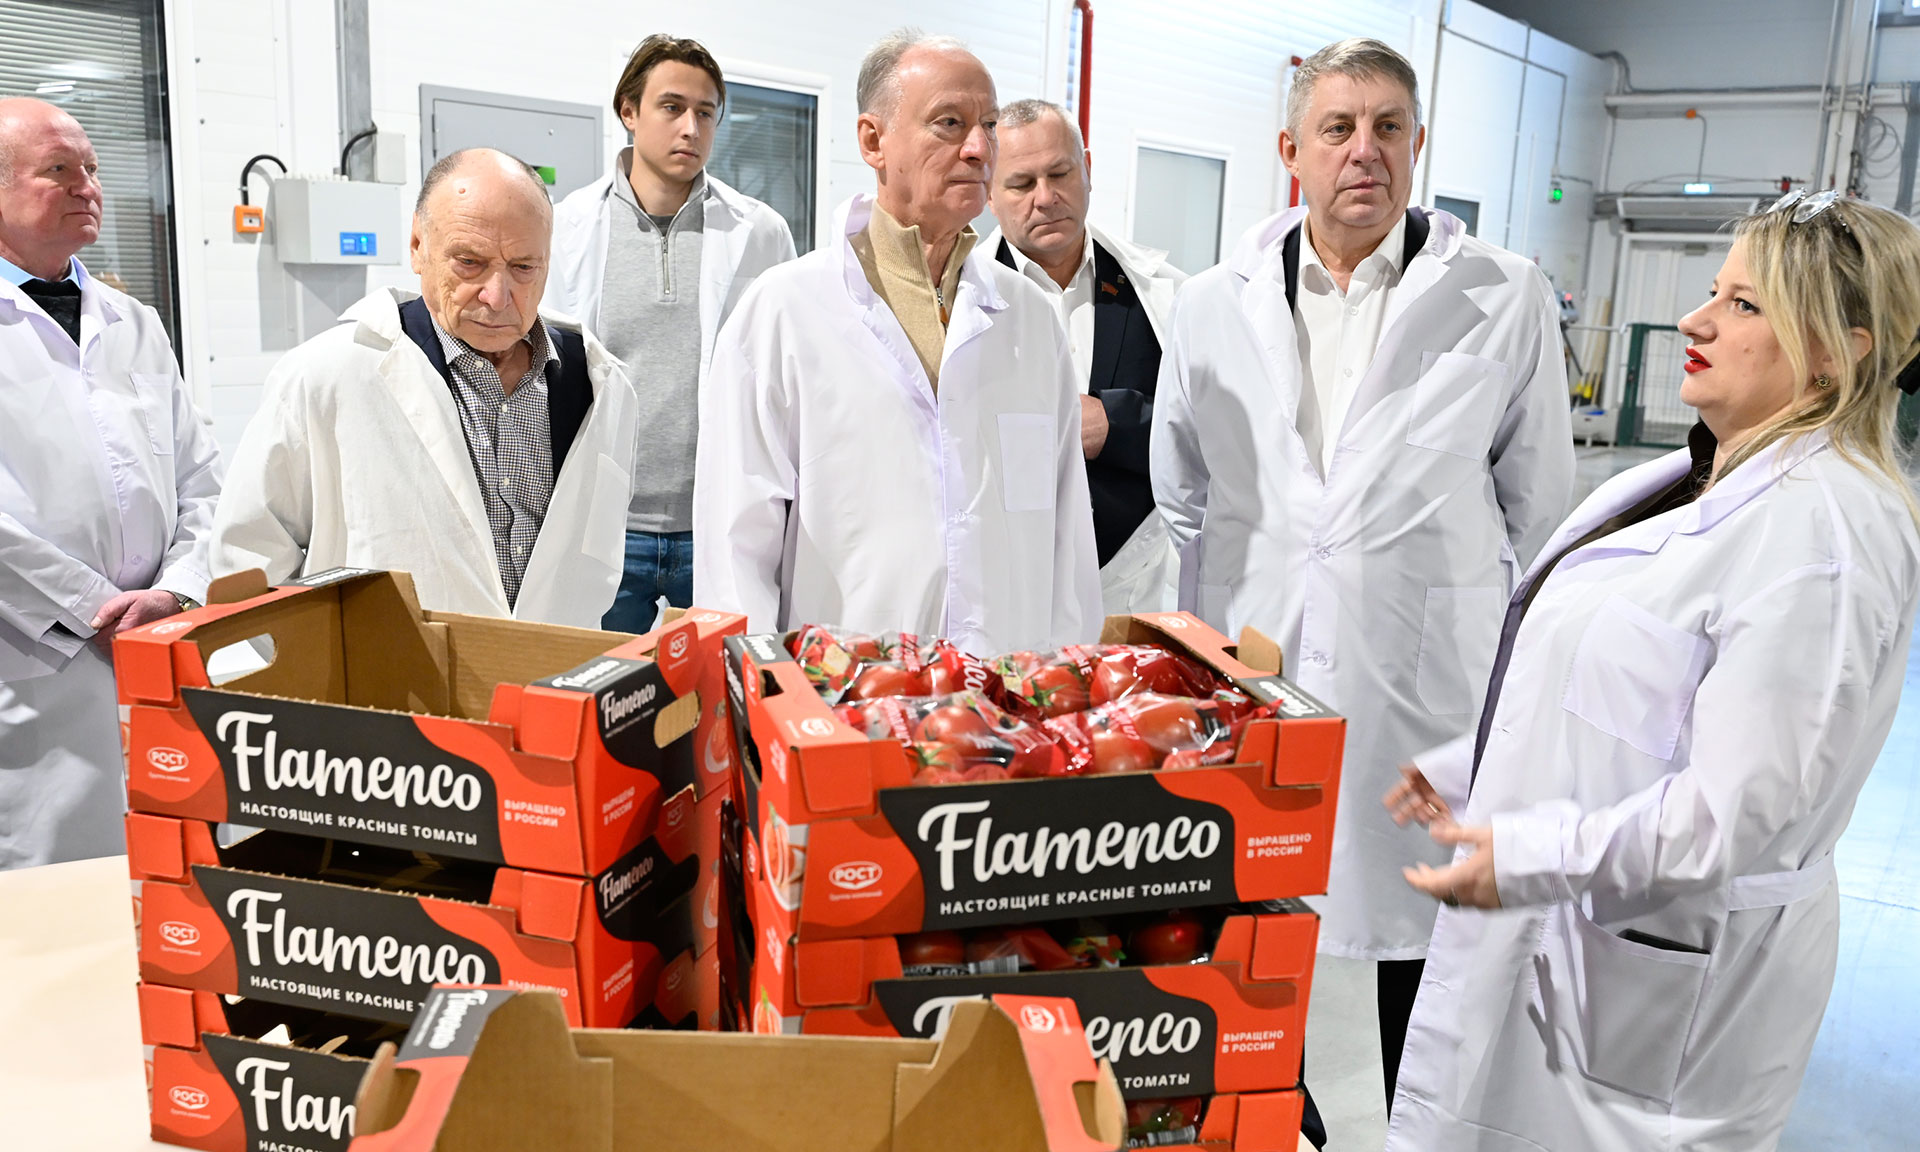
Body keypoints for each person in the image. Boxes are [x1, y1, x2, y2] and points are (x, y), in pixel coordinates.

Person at [1383, 193, 1920, 1150]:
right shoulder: (1696, 475)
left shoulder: (1822, 535)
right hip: (1589, 950)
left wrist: (1534, 853)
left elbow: (1734, 811)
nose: (1693, 319)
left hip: (1660, 995)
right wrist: (1479, 766)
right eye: (1715, 291)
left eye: (1745, 305)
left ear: (1838, 352)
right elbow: (1630, 693)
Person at [1150, 37, 1574, 1102]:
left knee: (1419, 948)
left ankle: (1417, 1125)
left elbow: (1539, 505)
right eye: (1337, 128)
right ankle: (1270, 1116)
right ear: (1290, 149)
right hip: (1260, 666)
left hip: (1423, 683)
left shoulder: (1503, 294)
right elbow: (1181, 489)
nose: (1364, 151)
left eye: (1389, 127)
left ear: (1417, 144)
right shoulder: (1212, 301)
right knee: (1253, 919)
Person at [693, 30, 1100, 655]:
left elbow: (1066, 535)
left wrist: (1064, 682)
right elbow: (734, 548)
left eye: (989, 126)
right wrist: (762, 691)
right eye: (949, 123)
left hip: (1005, 695)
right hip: (842, 691)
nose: (978, 148)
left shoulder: (1029, 320)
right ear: (872, 141)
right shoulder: (783, 313)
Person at [210, 148, 636, 629]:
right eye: (470, 262)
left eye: (523, 267)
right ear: (418, 245)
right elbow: (249, 560)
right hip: (389, 672)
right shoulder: (324, 377)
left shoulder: (601, 386)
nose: (497, 296)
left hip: (557, 669)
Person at [0, 97, 222, 868]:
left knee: (170, 877)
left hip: (160, 646)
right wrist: (94, 608)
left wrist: (179, 589)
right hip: (37, 670)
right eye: (57, 170)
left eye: (91, 169)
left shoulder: (136, 322)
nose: (86, 186)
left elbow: (202, 477)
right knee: (48, 901)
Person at [548, 35, 796, 632]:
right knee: (604, 679)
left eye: (706, 113)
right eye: (672, 107)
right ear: (628, 111)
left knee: (725, 679)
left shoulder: (760, 232)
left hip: (719, 520)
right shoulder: (568, 227)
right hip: (610, 527)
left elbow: (788, 368)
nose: (691, 128)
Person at [986, 99, 1184, 615]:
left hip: (1134, 593)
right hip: (1001, 587)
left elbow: (1210, 433)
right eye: (1021, 183)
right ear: (989, 192)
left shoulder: (1166, 294)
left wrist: (1114, 424)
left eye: (1060, 174)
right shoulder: (961, 302)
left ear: (1088, 170)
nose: (1046, 198)